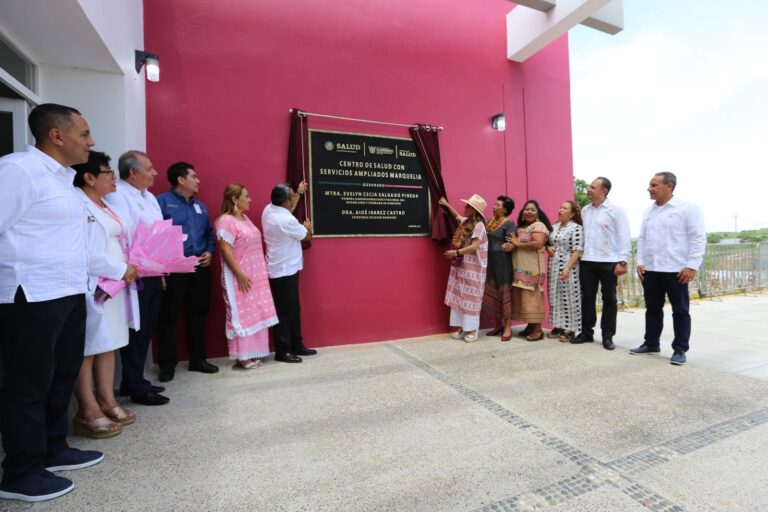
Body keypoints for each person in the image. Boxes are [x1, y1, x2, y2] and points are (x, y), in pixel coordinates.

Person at [0, 104, 103, 503]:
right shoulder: (18, 170)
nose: (90, 141)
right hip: (30, 296)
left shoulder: (64, 180)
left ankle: (52, 449)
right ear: (57, 136)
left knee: (61, 375)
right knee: (28, 384)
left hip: (68, 292)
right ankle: (21, 472)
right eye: (84, 133)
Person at [72, 151, 139, 438]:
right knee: (89, 347)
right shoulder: (77, 204)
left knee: (108, 342)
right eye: (108, 172)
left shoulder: (106, 205)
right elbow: (84, 250)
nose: (114, 177)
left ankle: (107, 400)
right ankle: (87, 410)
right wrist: (120, 268)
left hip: (115, 284)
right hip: (95, 283)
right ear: (89, 178)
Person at [105, 150, 169, 405]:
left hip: (152, 271)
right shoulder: (118, 195)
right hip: (134, 273)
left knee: (147, 327)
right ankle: (135, 385)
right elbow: (127, 235)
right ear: (133, 173)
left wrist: (160, 269)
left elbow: (159, 232)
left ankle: (135, 380)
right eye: (149, 168)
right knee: (136, 330)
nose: (155, 173)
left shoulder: (149, 196)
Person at [631, 172, 706, 366]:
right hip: (651, 269)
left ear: (669, 186)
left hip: (676, 270)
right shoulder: (649, 211)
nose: (649, 189)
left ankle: (680, 349)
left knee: (680, 311)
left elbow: (698, 238)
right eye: (650, 185)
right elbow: (642, 239)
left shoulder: (688, 209)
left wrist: (692, 265)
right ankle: (651, 343)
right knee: (652, 309)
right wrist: (640, 262)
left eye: (654, 185)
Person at [156, 162, 218, 382]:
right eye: (194, 177)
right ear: (181, 180)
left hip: (199, 267)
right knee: (168, 316)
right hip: (173, 269)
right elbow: (155, 236)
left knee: (198, 314)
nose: (198, 181)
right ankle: (167, 365)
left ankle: (198, 360)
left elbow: (209, 233)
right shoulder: (162, 202)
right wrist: (160, 268)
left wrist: (210, 251)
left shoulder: (201, 206)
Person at [216, 184, 278, 368]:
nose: (250, 199)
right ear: (235, 199)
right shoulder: (226, 221)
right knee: (242, 315)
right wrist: (240, 275)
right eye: (246, 196)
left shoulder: (245, 219)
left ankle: (254, 352)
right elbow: (225, 250)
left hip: (255, 277)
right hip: (239, 277)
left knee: (255, 313)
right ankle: (242, 356)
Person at [572, 177, 631, 350]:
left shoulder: (616, 210)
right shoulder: (585, 210)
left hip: (609, 261)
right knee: (587, 298)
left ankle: (608, 336)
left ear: (604, 191)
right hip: (587, 261)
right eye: (589, 187)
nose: (588, 189)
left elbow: (624, 235)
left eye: (592, 187)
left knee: (609, 299)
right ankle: (586, 333)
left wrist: (623, 260)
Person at [261, 182, 317, 363]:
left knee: (292, 309)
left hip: (281, 267)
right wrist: (308, 226)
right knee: (285, 312)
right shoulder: (286, 221)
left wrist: (299, 193)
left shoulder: (269, 210)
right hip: (285, 270)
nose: (293, 198)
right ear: (285, 201)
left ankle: (296, 344)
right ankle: (283, 350)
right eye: (292, 196)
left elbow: (289, 210)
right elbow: (307, 236)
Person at [439, 194, 489, 343]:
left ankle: (472, 330)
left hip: (474, 269)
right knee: (459, 295)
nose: (465, 208)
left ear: (474, 210)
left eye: (468, 206)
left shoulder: (479, 226)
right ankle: (461, 327)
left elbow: (474, 246)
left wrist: (456, 252)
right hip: (462, 266)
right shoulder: (467, 223)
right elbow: (457, 216)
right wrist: (446, 205)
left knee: (471, 298)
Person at [506, 200, 552, 341]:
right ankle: (531, 326)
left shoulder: (539, 226)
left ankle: (538, 329)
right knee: (523, 298)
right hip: (520, 268)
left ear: (538, 213)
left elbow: (538, 243)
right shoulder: (522, 228)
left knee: (532, 298)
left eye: (532, 209)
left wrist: (517, 243)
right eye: (526, 209)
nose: (529, 212)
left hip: (532, 268)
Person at [546, 201, 584, 342]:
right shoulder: (554, 227)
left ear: (572, 213)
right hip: (553, 266)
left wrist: (567, 268)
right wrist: (547, 248)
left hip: (569, 266)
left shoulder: (576, 228)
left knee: (570, 295)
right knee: (555, 295)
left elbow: (577, 250)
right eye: (560, 207)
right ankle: (558, 325)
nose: (560, 209)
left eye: (564, 208)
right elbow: (548, 243)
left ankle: (570, 328)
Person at [481, 196, 517, 341]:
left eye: (498, 205)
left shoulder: (509, 224)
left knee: (504, 293)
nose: (494, 207)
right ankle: (498, 325)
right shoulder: (490, 222)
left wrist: (509, 246)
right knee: (493, 292)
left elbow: (513, 243)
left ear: (505, 209)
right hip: (489, 262)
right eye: (494, 204)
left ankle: (508, 327)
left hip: (503, 263)